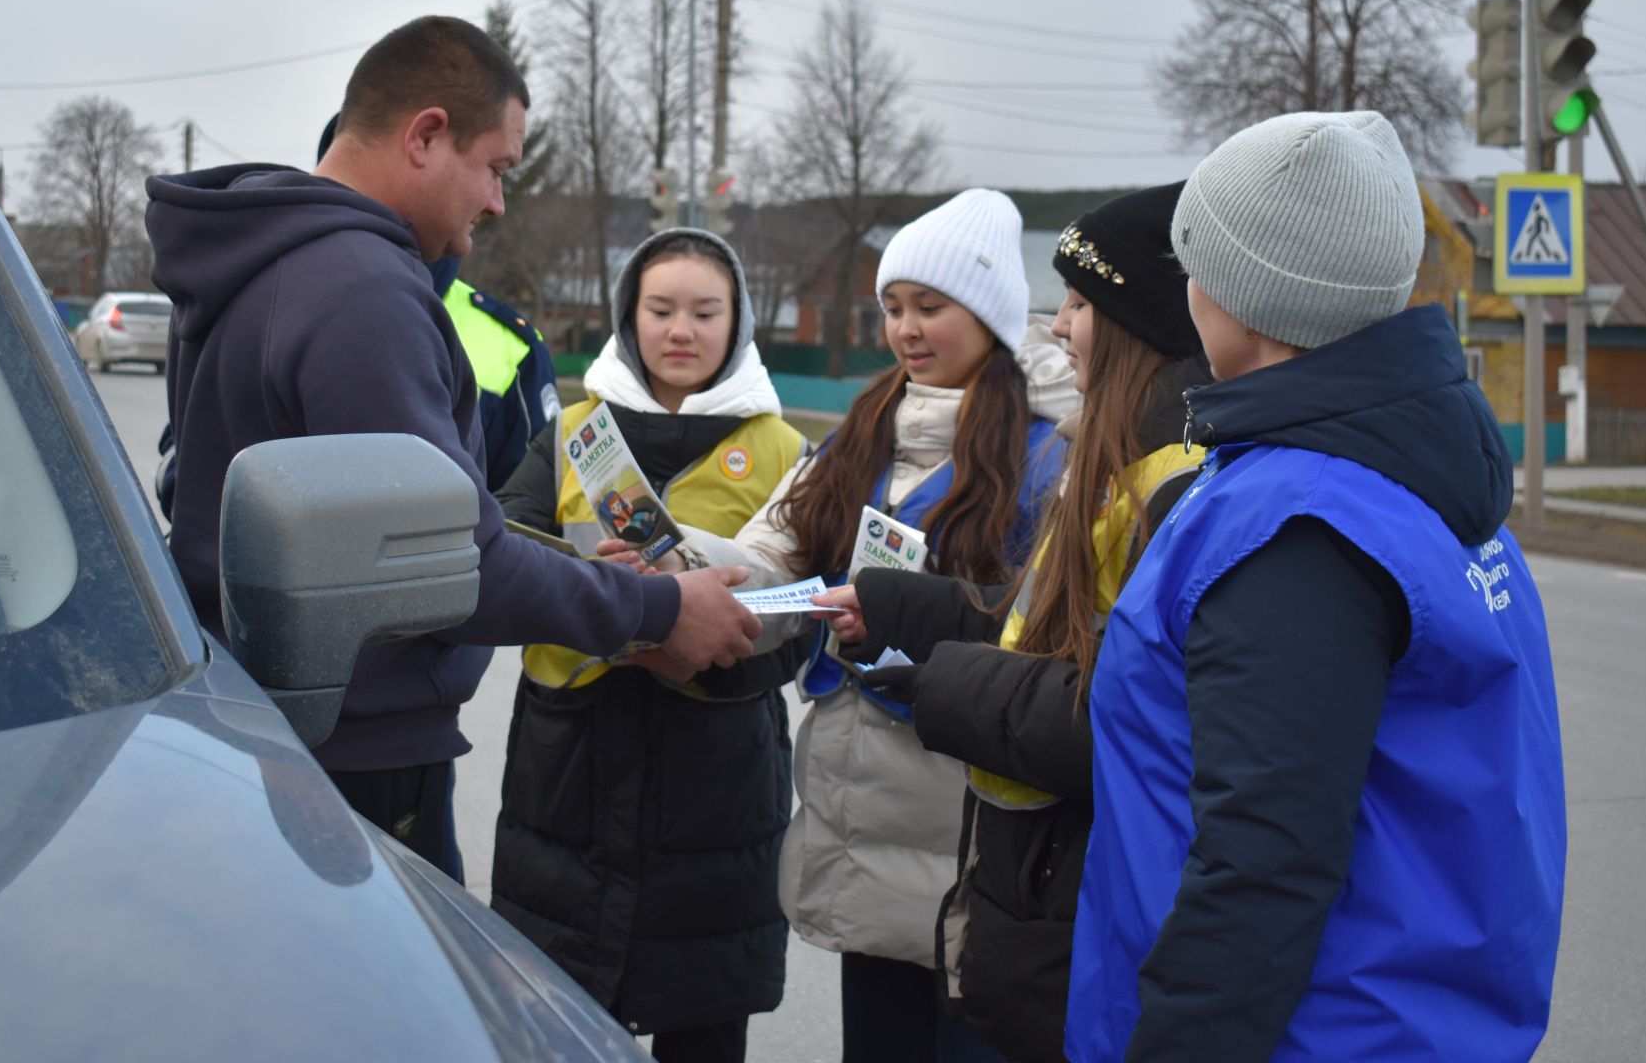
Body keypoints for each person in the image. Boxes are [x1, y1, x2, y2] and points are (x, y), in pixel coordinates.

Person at [144, 15, 760, 882]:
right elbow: (441, 567)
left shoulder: (263, 259)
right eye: (496, 169)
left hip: (266, 717)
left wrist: (600, 579)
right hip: (355, 753)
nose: (499, 203)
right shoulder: (363, 293)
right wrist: (656, 613)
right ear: (427, 135)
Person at [1065, 113, 1567, 1061]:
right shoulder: (1416, 479)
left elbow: (1263, 865)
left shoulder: (1294, 525)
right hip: (1405, 1023)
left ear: (1245, 297)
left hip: (1314, 1034)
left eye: (1195, 265)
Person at [668, 188, 1078, 1063]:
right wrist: (679, 567)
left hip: (972, 827)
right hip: (859, 812)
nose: (906, 329)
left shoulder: (1051, 457)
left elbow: (1046, 631)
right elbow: (771, 553)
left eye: (931, 306)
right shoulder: (861, 430)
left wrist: (915, 616)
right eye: (892, 308)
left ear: (993, 315)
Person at [817, 183, 1211, 1062]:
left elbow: (1118, 708)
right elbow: (1029, 629)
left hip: (1073, 878)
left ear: (1137, 321)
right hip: (1026, 874)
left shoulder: (1168, 485)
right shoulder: (1110, 454)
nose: (1060, 325)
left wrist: (936, 685)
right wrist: (891, 603)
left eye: (1079, 303)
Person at [488, 228, 808, 1063]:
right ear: (629, 318)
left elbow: (801, 624)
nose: (682, 330)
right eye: (660, 309)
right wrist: (598, 589)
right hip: (569, 771)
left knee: (702, 1023)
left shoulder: (781, 450)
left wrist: (700, 649)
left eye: (706, 312)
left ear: (736, 322)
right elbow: (506, 551)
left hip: (716, 781)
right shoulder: (572, 432)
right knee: (557, 1021)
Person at [319, 110, 559, 492]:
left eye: (500, 173)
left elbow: (529, 518)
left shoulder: (513, 348)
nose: (496, 204)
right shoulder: (261, 301)